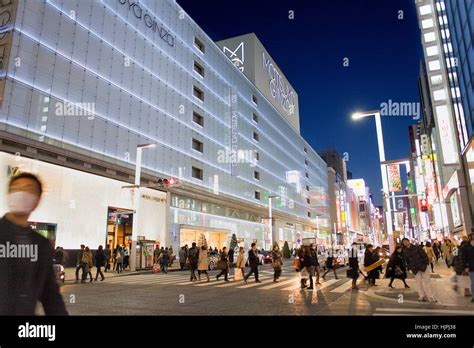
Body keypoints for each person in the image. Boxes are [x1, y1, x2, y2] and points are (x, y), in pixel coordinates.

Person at [0, 173, 68, 315]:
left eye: (27, 189)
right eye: (16, 188)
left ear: (36, 200)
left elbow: (50, 294)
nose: (20, 193)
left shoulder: (41, 244)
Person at [402, 238, 436, 302]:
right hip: (415, 269)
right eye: (404, 242)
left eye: (406, 241)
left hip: (423, 266)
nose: (405, 243)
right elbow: (407, 261)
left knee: (427, 282)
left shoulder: (417, 247)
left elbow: (424, 255)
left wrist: (426, 264)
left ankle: (431, 297)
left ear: (409, 241)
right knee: (418, 283)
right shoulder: (405, 251)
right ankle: (422, 296)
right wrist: (410, 268)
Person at [462, 233, 474, 303]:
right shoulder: (466, 247)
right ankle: (473, 296)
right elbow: (464, 257)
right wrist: (465, 266)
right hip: (471, 267)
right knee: (473, 282)